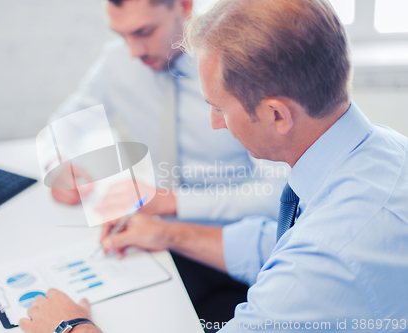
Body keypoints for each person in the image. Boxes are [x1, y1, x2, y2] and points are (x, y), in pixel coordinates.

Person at [20, 0, 408, 332]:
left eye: (219, 108)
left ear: (276, 115)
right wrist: (168, 234)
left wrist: (69, 327)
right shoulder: (382, 149)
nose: (215, 123)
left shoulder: (321, 263)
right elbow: (275, 243)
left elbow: (305, 258)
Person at [41, 0, 287, 325]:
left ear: (184, 6)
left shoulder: (243, 64)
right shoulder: (117, 63)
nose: (133, 51)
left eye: (144, 31)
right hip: (161, 240)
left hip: (245, 253)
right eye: (122, 35)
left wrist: (171, 201)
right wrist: (56, 166)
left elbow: (278, 195)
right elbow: (62, 127)